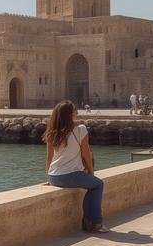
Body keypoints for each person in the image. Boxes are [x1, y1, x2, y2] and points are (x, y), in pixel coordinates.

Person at [44, 100, 109, 233]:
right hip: (70, 175)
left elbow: (50, 158)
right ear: (69, 114)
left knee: (93, 186)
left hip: (54, 176)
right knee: (97, 185)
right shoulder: (80, 129)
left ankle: (89, 222)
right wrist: (91, 172)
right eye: (74, 110)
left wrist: (48, 177)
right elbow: (86, 154)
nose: (77, 112)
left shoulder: (52, 131)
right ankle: (95, 223)